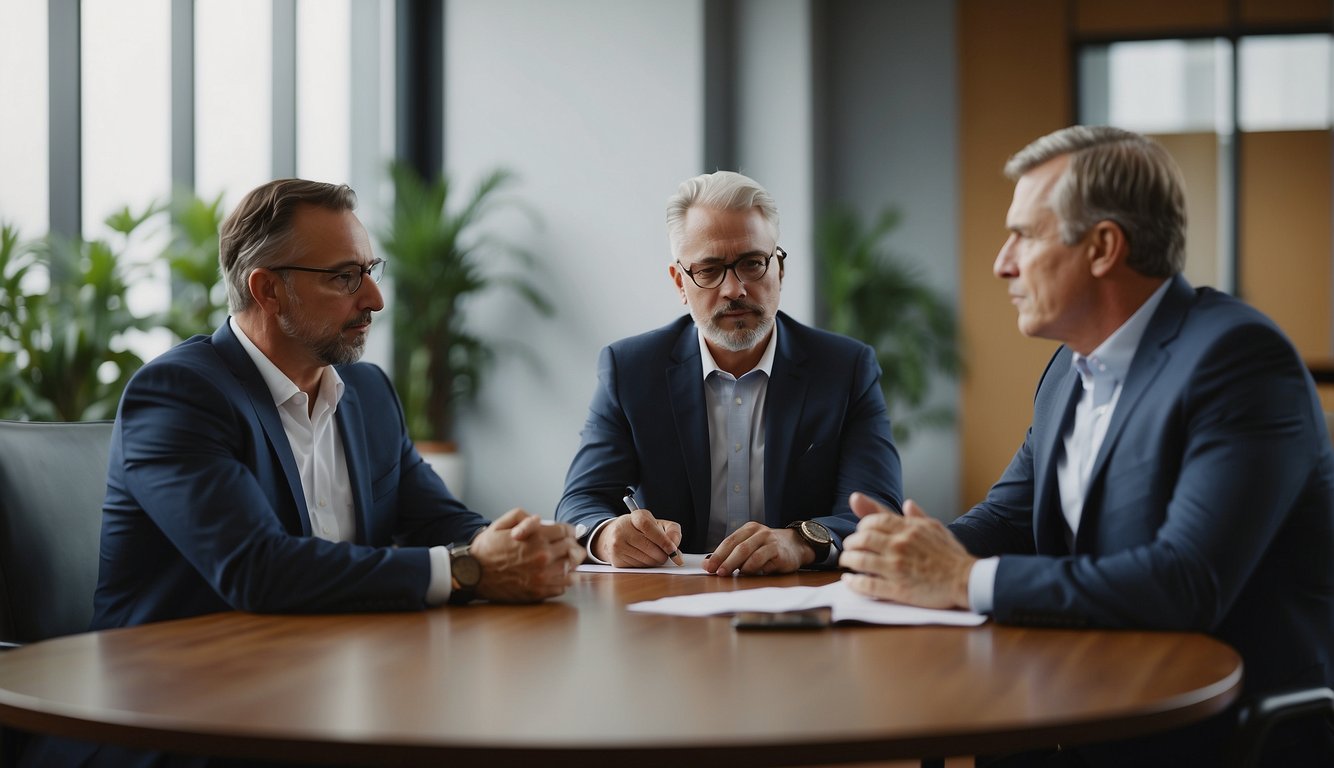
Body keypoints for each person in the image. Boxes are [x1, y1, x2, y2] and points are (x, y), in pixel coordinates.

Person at [21, 179, 583, 767]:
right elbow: (257, 569)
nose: (374, 299)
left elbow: (437, 520)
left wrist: (526, 545)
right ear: (267, 289)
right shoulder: (181, 394)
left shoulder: (366, 391)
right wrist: (471, 569)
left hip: (327, 687)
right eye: (344, 277)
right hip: (175, 719)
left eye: (370, 270)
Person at [840, 126, 1334, 766]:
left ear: (1103, 247)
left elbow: (1185, 583)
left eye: (1026, 234)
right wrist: (895, 558)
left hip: (1210, 730)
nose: (1003, 261)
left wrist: (962, 578)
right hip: (1079, 698)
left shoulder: (1237, 360)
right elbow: (1009, 519)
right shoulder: (1066, 372)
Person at [556, 170, 902, 576]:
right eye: (708, 270)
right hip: (666, 609)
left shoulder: (845, 369)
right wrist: (607, 533)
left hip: (799, 603)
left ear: (780, 269)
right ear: (680, 283)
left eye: (752, 264)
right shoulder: (630, 370)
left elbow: (877, 512)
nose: (734, 289)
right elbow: (580, 502)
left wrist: (800, 541)